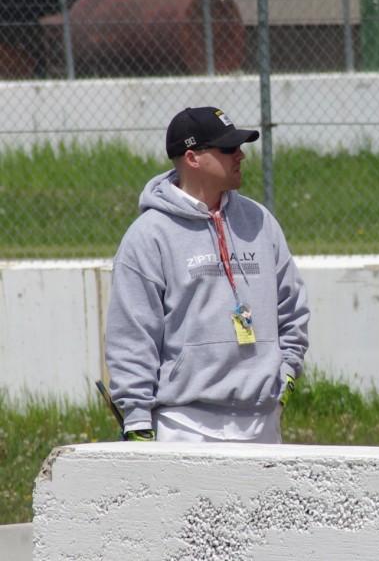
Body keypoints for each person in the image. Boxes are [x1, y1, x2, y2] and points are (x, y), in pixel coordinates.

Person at [106, 106, 310, 443]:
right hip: (185, 426)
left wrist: (285, 374)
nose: (241, 155)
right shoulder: (149, 236)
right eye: (228, 148)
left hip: (262, 421)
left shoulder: (260, 221)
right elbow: (132, 332)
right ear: (192, 157)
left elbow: (293, 308)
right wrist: (137, 417)